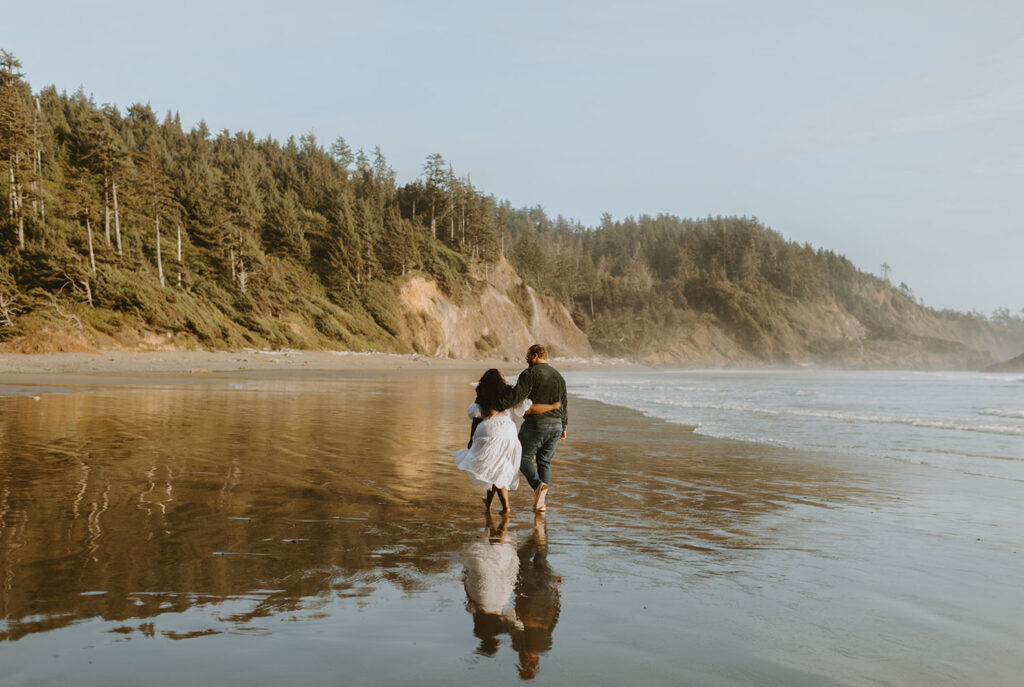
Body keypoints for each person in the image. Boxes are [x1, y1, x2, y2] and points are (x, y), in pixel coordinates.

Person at [453, 368, 561, 514]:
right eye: (501, 375)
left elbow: (476, 419)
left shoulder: (482, 395)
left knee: (493, 470)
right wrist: (553, 407)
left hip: (488, 432)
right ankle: (490, 504)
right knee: (498, 469)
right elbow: (526, 410)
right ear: (499, 380)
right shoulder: (509, 394)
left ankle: (506, 507)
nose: (504, 376)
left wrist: (471, 439)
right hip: (508, 433)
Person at [496, 344, 567, 512]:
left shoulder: (529, 373)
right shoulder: (558, 376)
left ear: (535, 355)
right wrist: (564, 425)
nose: (525, 358)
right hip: (556, 424)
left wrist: (497, 406)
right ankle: (541, 503)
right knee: (545, 462)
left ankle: (537, 486)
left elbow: (516, 396)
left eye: (528, 355)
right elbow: (564, 401)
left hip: (536, 424)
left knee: (521, 457)